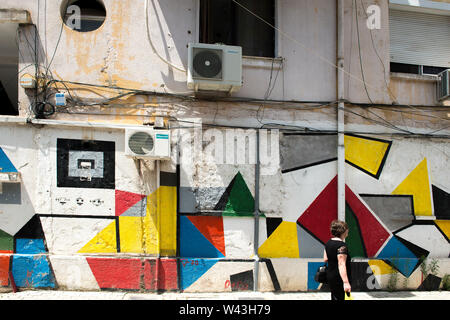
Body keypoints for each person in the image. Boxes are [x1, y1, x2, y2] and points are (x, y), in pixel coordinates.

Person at [323, 219, 352, 300]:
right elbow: (341, 264)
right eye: (347, 229)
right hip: (339, 278)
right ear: (343, 231)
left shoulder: (328, 243)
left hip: (330, 275)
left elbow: (325, 259)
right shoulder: (342, 246)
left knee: (335, 297)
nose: (348, 230)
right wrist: (346, 282)